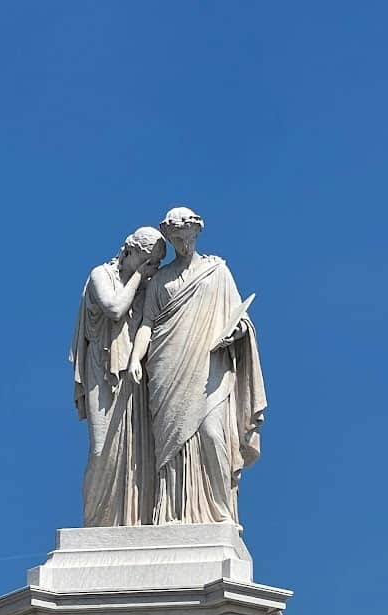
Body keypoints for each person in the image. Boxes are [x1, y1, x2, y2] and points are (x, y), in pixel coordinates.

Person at [127, 206, 266, 524]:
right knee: (172, 443)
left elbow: (239, 316)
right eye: (175, 239)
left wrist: (238, 331)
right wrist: (136, 359)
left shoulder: (217, 272)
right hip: (167, 366)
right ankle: (173, 512)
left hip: (209, 366)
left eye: (186, 237)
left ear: (197, 234)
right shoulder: (161, 280)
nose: (182, 244)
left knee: (213, 435)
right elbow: (147, 324)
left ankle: (219, 511)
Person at [70, 225, 166, 526]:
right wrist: (140, 277)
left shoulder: (146, 289)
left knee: (135, 452)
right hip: (102, 368)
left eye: (157, 264)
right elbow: (113, 308)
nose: (153, 268)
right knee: (102, 449)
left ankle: (130, 520)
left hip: (133, 375)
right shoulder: (101, 274)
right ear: (131, 250)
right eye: (149, 260)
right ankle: (96, 522)